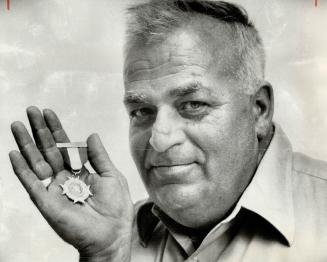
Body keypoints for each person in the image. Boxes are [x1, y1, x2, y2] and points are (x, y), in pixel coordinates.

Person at [9, 1, 327, 261]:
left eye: (192, 104)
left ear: (259, 110)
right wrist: (104, 257)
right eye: (142, 112)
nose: (159, 140)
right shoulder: (114, 233)